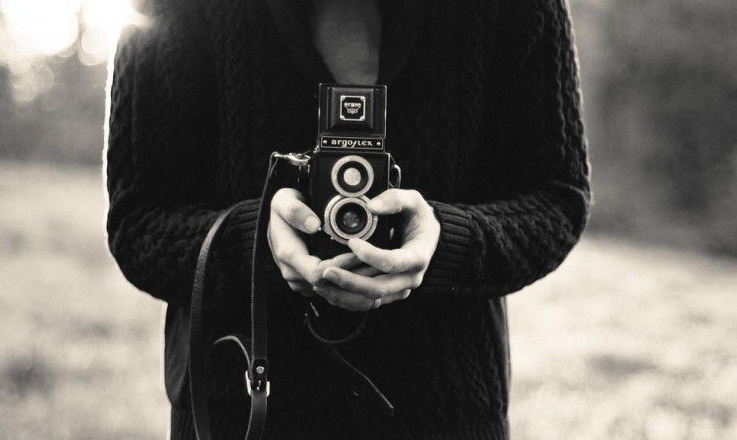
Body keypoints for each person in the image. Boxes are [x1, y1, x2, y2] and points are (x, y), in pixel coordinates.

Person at [105, 0, 591, 439]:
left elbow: (557, 198)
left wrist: (444, 243)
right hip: (241, 408)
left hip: (445, 408)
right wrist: (255, 245)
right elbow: (138, 220)